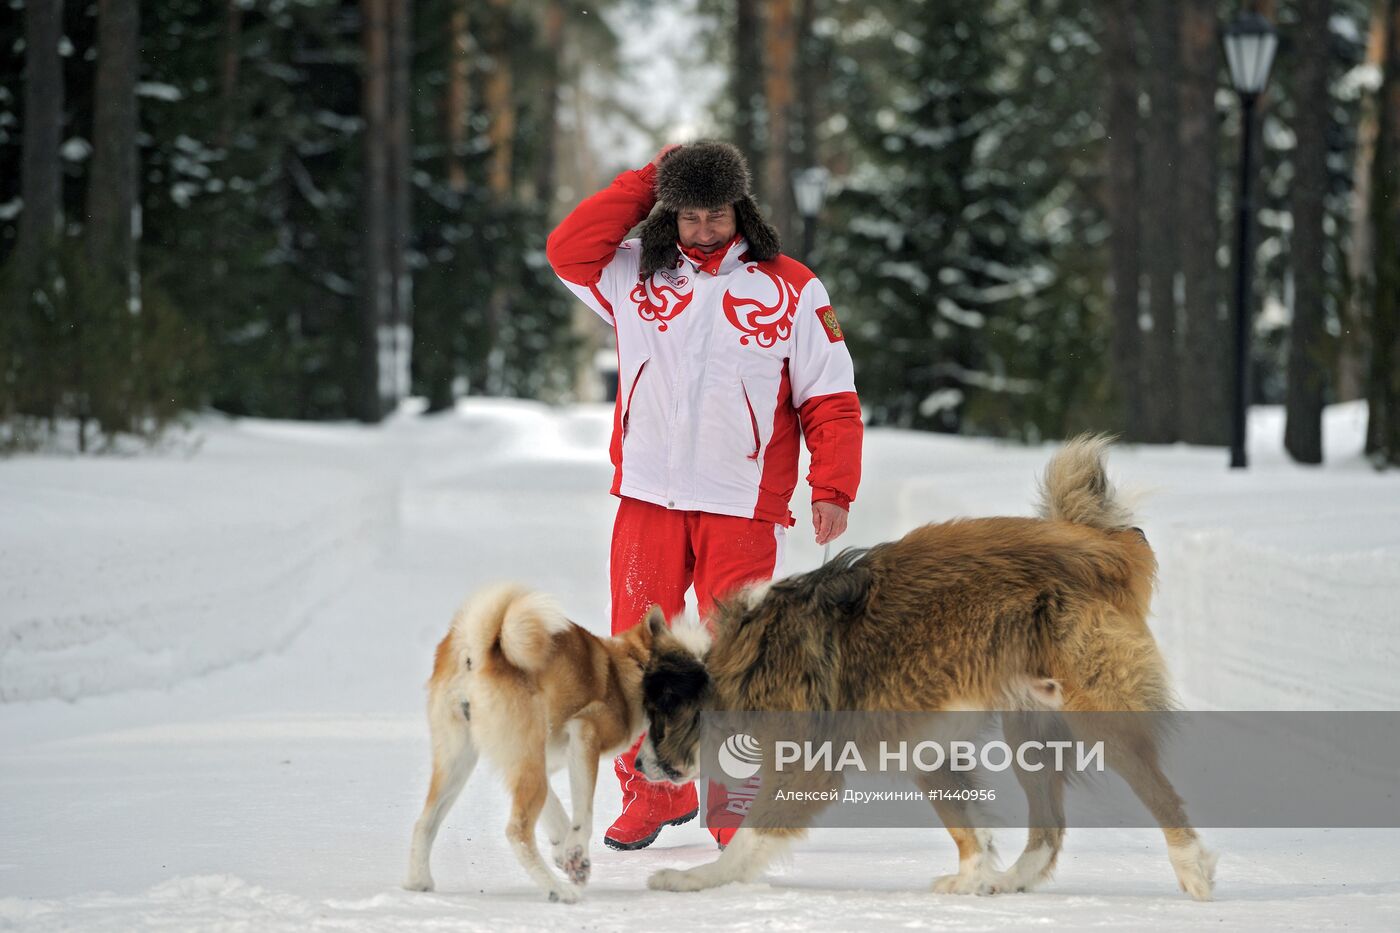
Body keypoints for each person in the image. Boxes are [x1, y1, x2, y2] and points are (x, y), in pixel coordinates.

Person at [545, 140, 863, 850]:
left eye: (716, 213)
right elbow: (567, 248)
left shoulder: (793, 288)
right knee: (638, 651)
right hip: (649, 498)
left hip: (742, 503)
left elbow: (833, 399)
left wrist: (832, 483)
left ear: (740, 209)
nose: (702, 229)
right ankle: (655, 792)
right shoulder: (632, 275)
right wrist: (644, 179)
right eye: (687, 214)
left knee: (736, 652)